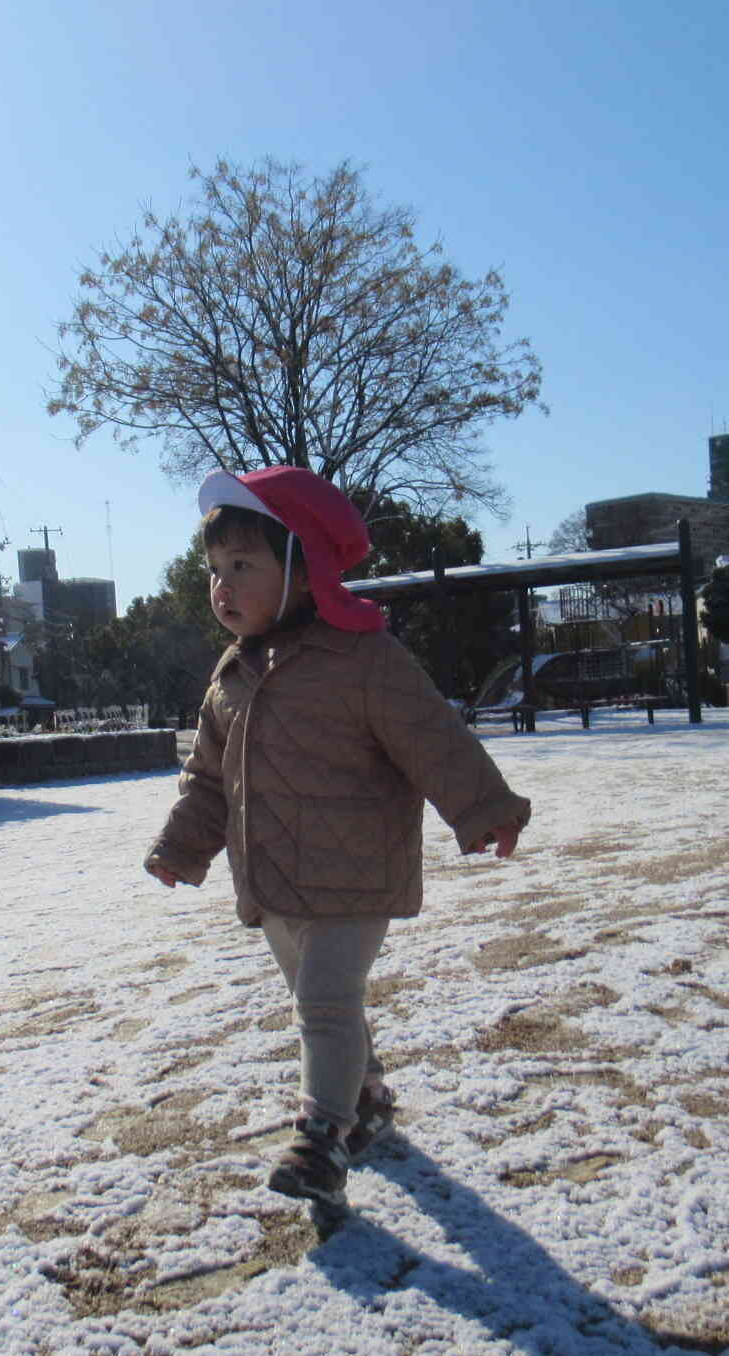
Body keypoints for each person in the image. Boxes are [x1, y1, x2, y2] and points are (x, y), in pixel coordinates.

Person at [144, 466, 532, 1217]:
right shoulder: (231, 675)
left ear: (302, 565)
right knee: (327, 1007)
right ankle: (369, 1098)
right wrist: (181, 847)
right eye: (215, 570)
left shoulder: (362, 659)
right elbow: (208, 780)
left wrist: (484, 807)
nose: (222, 585)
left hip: (357, 873)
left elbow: (432, 737)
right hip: (274, 882)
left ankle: (321, 1138)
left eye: (243, 566)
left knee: (324, 1004)